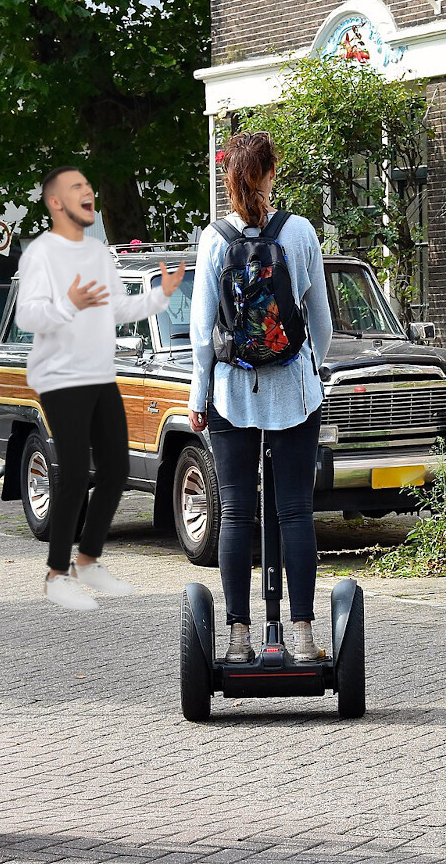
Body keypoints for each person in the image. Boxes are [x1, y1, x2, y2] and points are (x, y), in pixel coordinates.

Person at [186, 131, 333, 664]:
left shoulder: (214, 239)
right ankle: (303, 636)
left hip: (231, 395)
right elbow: (323, 324)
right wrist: (311, 366)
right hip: (293, 394)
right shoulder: (299, 233)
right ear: (271, 173)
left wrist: (199, 397)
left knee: (237, 514)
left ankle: (239, 638)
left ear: (229, 179)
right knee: (294, 511)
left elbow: (203, 331)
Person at [14, 165, 181, 610]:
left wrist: (160, 295)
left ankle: (88, 560)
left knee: (115, 470)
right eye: (77, 189)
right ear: (56, 204)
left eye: (89, 186)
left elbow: (121, 308)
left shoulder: (98, 253)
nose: (89, 192)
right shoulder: (41, 256)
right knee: (72, 476)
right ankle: (57, 573)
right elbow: (27, 317)